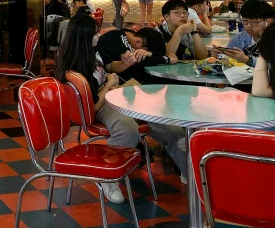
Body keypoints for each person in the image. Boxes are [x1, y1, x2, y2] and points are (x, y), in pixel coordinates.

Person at [55, 15, 187, 203]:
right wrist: (109, 84)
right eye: (95, 33)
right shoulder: (75, 64)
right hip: (100, 104)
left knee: (168, 124)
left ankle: (187, 171)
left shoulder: (94, 48)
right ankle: (109, 177)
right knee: (127, 128)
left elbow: (109, 66)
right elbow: (90, 108)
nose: (98, 36)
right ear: (83, 36)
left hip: (113, 93)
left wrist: (125, 63)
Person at [98, 27, 177, 84]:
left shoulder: (126, 35)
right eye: (146, 51)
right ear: (138, 42)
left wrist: (150, 54)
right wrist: (167, 59)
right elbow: (138, 61)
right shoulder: (115, 39)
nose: (143, 54)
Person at [212, 0, 275, 66]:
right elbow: (229, 58)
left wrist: (247, 60)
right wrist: (220, 55)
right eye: (245, 21)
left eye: (254, 22)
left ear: (267, 22)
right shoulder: (239, 38)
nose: (248, 26)